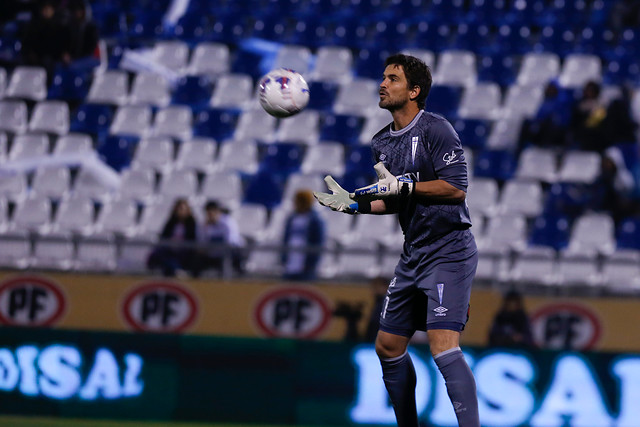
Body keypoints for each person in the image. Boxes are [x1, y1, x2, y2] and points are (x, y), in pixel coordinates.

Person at [314, 54, 479, 427]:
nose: (383, 84)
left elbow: (456, 189)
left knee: (442, 345)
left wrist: (406, 185)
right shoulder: (381, 142)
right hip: (413, 253)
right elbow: (394, 201)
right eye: (383, 77)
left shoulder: (437, 129)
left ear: (415, 91)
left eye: (393, 78)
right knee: (387, 347)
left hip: (449, 248)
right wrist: (354, 206)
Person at [281, 189, 326, 281]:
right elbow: (286, 237)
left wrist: (312, 261)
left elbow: (318, 241)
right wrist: (284, 257)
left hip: (306, 259)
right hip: (291, 256)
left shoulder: (315, 220)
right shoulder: (292, 218)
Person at [193, 200, 245, 277]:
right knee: (196, 261)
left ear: (218, 212)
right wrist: (206, 229)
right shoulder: (203, 225)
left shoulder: (228, 222)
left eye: (213, 211)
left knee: (225, 261)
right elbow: (201, 243)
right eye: (208, 212)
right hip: (210, 254)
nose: (211, 215)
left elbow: (230, 242)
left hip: (229, 254)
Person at [147, 198, 197, 277]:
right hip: (170, 250)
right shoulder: (170, 223)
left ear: (188, 210)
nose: (180, 211)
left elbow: (193, 240)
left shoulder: (192, 224)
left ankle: (176, 269)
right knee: (159, 252)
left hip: (184, 251)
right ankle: (176, 270)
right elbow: (164, 237)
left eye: (182, 209)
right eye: (178, 209)